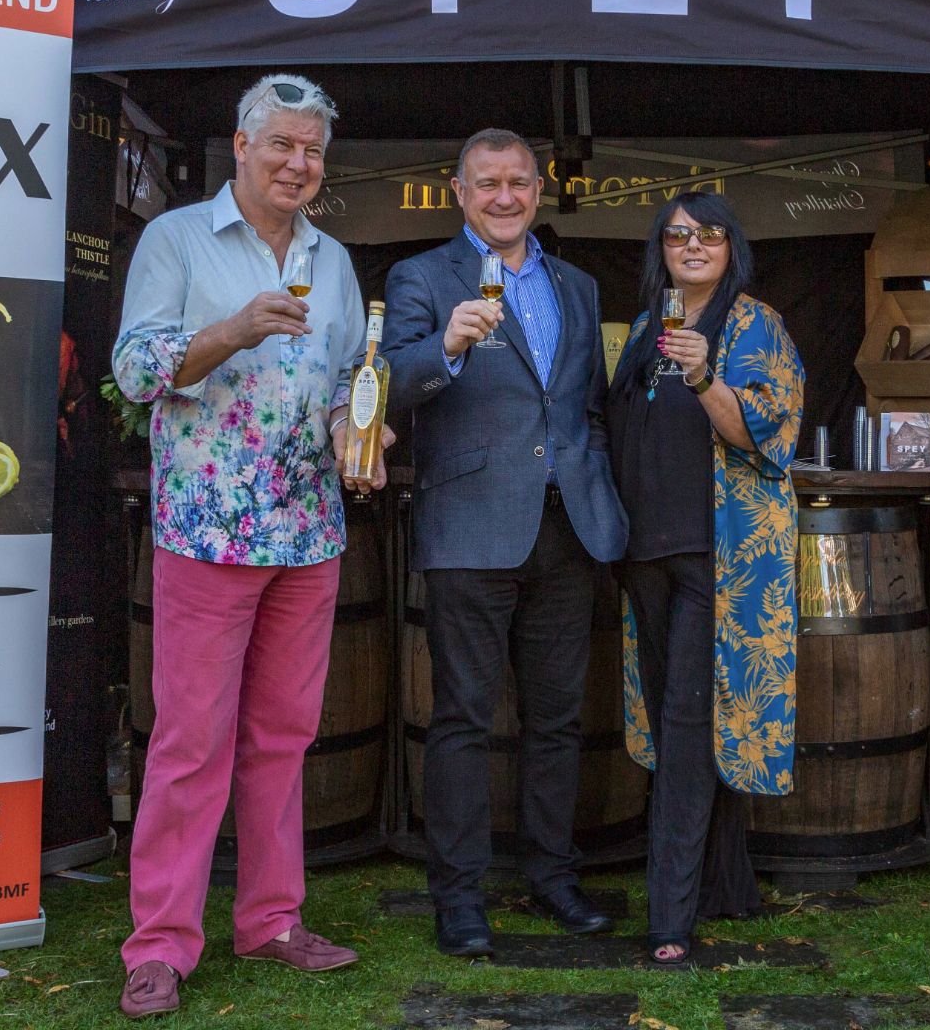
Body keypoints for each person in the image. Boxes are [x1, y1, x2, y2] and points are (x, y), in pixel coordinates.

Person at [112, 74, 387, 1019]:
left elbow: (347, 378)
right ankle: (159, 945)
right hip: (207, 530)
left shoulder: (333, 259)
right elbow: (134, 371)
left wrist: (361, 432)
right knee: (190, 744)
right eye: (282, 145)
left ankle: (271, 919)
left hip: (308, 531)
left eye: (312, 151)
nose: (298, 164)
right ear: (241, 146)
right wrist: (231, 330)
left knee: (283, 738)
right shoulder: (177, 239)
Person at [381, 128, 628, 956]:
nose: (504, 196)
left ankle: (553, 877)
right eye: (487, 182)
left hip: (569, 524)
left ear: (538, 188)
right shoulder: (422, 277)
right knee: (461, 719)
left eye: (518, 181)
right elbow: (386, 386)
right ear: (458, 191)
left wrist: (595, 483)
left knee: (557, 719)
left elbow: (585, 406)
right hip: (470, 525)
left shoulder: (578, 286)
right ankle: (458, 898)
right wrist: (445, 347)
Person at [605, 192, 805, 964]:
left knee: (689, 728)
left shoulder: (754, 325)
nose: (693, 246)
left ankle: (669, 917)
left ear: (731, 249)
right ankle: (727, 885)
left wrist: (702, 376)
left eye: (710, 235)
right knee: (674, 724)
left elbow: (766, 431)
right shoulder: (645, 327)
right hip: (645, 556)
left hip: (718, 559)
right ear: (659, 248)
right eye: (678, 235)